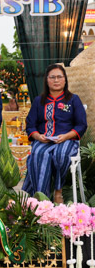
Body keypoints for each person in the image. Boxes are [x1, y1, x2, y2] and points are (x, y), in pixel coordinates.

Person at [23, 64, 87, 203]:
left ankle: (58, 191)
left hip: (67, 140)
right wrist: (38, 136)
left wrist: (66, 136)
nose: (56, 80)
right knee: (38, 154)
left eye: (59, 77)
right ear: (47, 80)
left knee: (61, 154)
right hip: (43, 140)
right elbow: (30, 125)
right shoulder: (39, 101)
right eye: (52, 77)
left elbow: (81, 125)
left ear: (65, 80)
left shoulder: (73, 99)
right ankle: (41, 196)